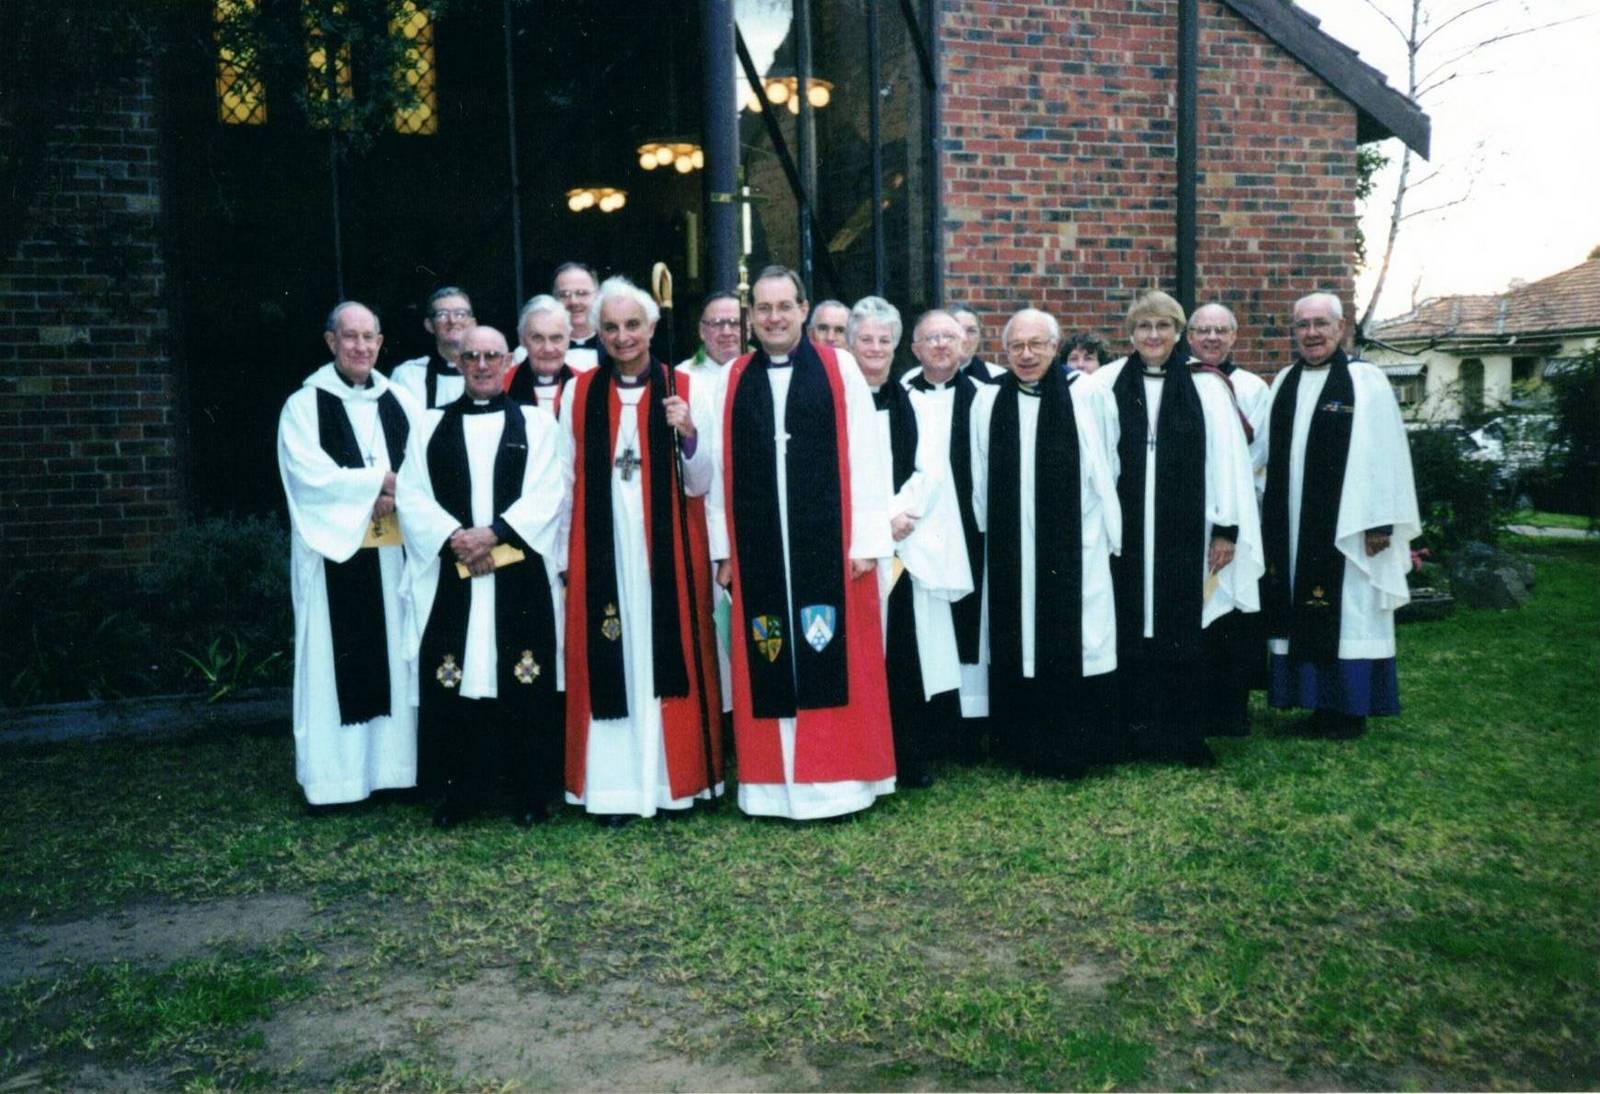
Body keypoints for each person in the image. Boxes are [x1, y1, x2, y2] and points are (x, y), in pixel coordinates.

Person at [708, 265, 897, 820]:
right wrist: (725, 552)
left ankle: (840, 785)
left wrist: (866, 540)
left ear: (802, 309)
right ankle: (772, 788)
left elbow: (867, 455)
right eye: (762, 309)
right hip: (762, 546)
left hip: (831, 546)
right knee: (769, 651)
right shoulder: (734, 377)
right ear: (751, 317)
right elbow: (721, 471)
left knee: (832, 651)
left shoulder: (838, 368)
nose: (773, 317)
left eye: (784, 306)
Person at [559, 277, 724, 824]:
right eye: (611, 327)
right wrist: (563, 557)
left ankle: (672, 784)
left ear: (652, 328)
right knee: (610, 656)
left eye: (633, 325)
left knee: (664, 653)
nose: (623, 336)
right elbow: (564, 480)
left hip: (668, 551)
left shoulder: (684, 387)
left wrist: (691, 433)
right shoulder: (580, 392)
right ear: (598, 334)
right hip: (600, 551)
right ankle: (611, 789)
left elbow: (703, 483)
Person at [396, 325, 566, 828]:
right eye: (472, 356)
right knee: (457, 678)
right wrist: (458, 539)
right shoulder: (429, 426)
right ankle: (457, 795)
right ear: (458, 360)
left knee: (522, 675)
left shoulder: (536, 425)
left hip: (517, 573)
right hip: (454, 572)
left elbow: (547, 491)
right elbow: (412, 495)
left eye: (493, 356)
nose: (483, 365)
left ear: (509, 360)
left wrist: (492, 534)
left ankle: (529, 793)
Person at [1092, 290, 1263, 768]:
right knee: (1126, 628)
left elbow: (1229, 464)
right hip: (1123, 532)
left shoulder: (1206, 387)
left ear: (1178, 333)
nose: (1153, 336)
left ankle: (1182, 734)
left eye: (1163, 327)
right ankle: (1128, 733)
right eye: (1144, 327)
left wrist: (1225, 530)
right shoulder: (1104, 385)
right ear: (1130, 333)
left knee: (1184, 630)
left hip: (1184, 534)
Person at [277, 301, 421, 808]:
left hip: (395, 556)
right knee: (337, 658)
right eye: (350, 337)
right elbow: (309, 479)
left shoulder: (399, 400)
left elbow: (421, 469)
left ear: (381, 343)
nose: (361, 347)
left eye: (370, 337)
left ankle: (397, 772)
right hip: (337, 560)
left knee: (397, 654)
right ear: (331, 342)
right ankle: (338, 782)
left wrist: (393, 492)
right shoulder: (304, 406)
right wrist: (379, 484)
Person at [1259, 292, 1420, 739]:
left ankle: (1349, 708)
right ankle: (1313, 702)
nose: (1311, 333)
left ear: (1341, 327)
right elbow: (1266, 455)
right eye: (1302, 325)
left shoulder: (1365, 381)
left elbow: (1386, 454)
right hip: (1293, 527)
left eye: (1320, 324)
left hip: (1352, 526)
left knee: (1351, 610)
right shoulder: (1285, 381)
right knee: (1302, 606)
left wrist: (1381, 520)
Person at [971, 308, 1122, 776]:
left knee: (1078, 632)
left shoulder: (1088, 394)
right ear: (1005, 351)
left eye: (1037, 344)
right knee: (1020, 635)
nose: (1027, 354)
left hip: (1075, 540)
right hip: (1013, 540)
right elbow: (980, 473)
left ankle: (1079, 743)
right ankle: (1022, 743)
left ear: (1056, 347)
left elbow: (1107, 462)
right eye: (1016, 346)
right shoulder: (988, 401)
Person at [856, 304, 977, 784]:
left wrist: (895, 517)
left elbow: (930, 468)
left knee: (905, 654)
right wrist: (875, 521)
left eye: (884, 340)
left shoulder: (909, 401)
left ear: (895, 346)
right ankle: (866, 752)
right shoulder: (839, 398)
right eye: (866, 340)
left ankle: (908, 755)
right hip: (860, 543)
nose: (875, 349)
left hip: (904, 542)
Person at [901, 310, 995, 760]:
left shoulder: (985, 395)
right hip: (920, 529)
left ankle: (970, 725)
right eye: (930, 338)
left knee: (972, 623)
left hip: (969, 526)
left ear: (964, 346)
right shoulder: (901, 396)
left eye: (948, 338)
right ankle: (931, 723)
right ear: (915, 348)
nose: (939, 345)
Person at [1188, 301, 1273, 735]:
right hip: (1189, 514)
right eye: (1202, 330)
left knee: (1232, 610)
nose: (1212, 338)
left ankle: (1232, 709)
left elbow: (1256, 454)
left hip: (1236, 512)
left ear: (1235, 335)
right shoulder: (1182, 382)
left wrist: (1230, 510)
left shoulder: (1253, 387)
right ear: (1189, 337)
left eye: (1221, 330)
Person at [677, 291, 745, 724]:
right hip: (699, 515)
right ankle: (717, 718)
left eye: (734, 323)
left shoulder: (759, 373)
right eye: (715, 324)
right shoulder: (683, 379)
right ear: (701, 331)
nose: (725, 331)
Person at [391, 286, 476, 409]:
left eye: (460, 314)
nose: (452, 320)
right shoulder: (408, 376)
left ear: (472, 324)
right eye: (442, 314)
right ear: (429, 325)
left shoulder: (492, 373)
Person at [505, 294, 574, 415]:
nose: (548, 348)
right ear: (522, 339)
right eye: (537, 338)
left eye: (556, 338)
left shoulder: (584, 384)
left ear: (568, 339)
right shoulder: (502, 385)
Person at [553, 262, 601, 370]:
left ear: (598, 296)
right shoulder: (530, 354)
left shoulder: (619, 348)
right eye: (564, 295)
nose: (573, 302)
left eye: (582, 293)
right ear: (554, 300)